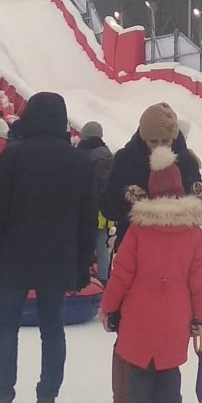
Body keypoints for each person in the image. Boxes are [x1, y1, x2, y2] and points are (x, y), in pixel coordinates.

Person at [100, 102, 202, 403]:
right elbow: (107, 203)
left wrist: (199, 196)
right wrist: (128, 199)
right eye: (152, 142)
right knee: (127, 335)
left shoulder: (187, 160)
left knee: (167, 337)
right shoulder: (126, 159)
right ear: (142, 136)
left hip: (175, 253)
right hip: (134, 250)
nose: (158, 148)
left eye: (164, 141)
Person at [0, 91, 95, 403]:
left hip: (14, 255)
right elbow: (87, 220)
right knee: (53, 329)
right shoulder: (78, 163)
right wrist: (83, 264)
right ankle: (47, 399)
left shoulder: (13, 156)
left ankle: (3, 398)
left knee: (7, 329)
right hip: (58, 258)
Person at [77, 120, 115, 282]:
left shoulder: (81, 155)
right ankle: (103, 278)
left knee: (81, 243)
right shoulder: (109, 155)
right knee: (101, 245)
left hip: (85, 207)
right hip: (104, 209)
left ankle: (81, 275)